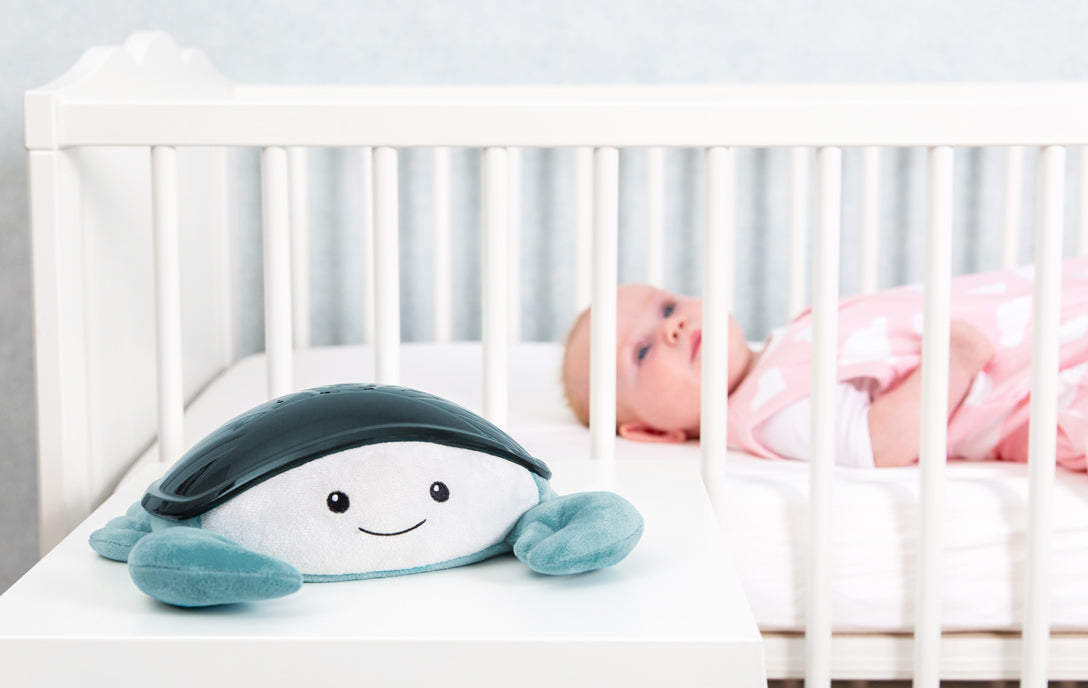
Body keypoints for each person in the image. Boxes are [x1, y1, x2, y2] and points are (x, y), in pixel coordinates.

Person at [561, 258, 1088, 470]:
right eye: (643, 352)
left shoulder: (784, 349)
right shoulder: (767, 412)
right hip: (1029, 384)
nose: (670, 328)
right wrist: (952, 362)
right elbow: (881, 442)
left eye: (668, 307)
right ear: (651, 432)